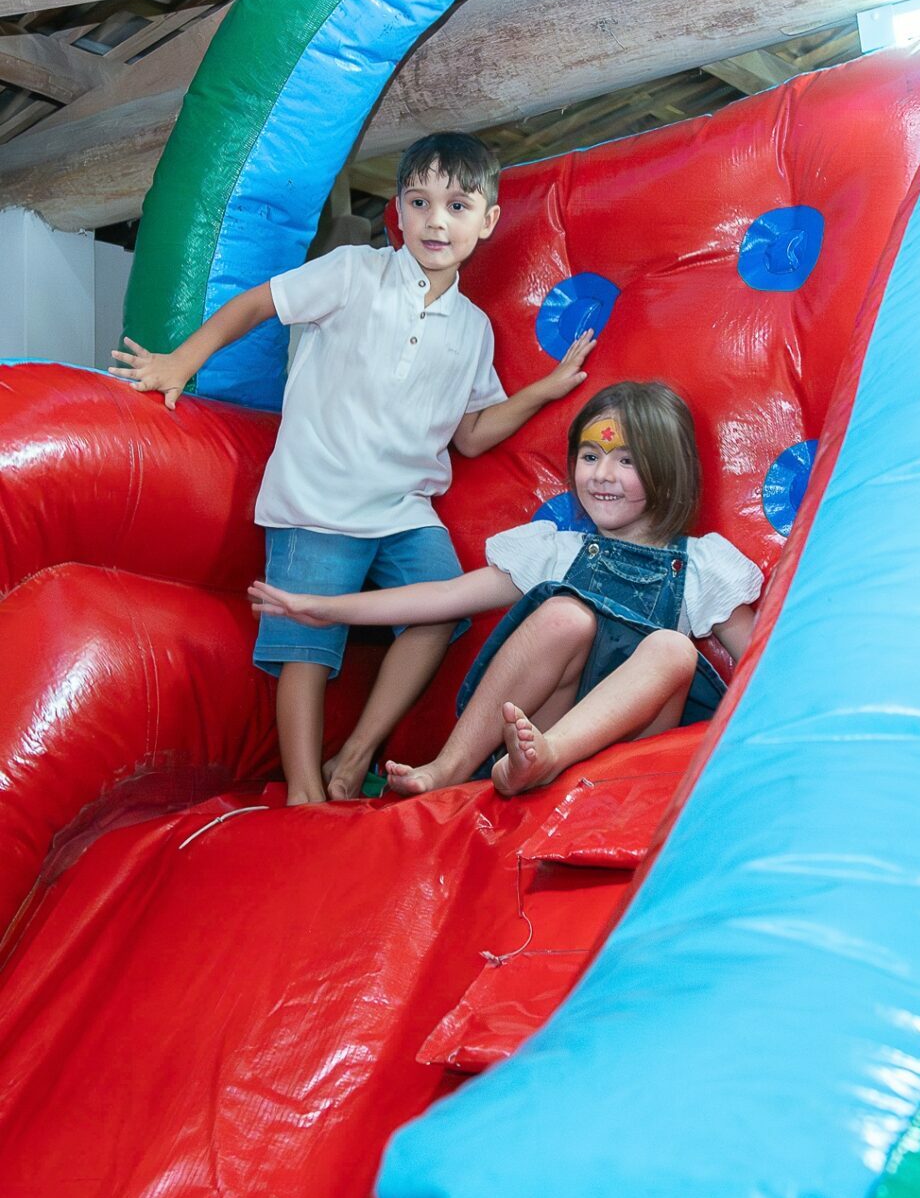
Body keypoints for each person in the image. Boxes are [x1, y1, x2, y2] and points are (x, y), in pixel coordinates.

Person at [108, 132, 594, 805]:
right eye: (420, 202)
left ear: (487, 221)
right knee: (305, 647)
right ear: (398, 211)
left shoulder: (473, 328)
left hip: (405, 507)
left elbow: (472, 434)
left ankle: (356, 755)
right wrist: (179, 363)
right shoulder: (353, 272)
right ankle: (304, 793)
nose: (436, 221)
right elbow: (259, 303)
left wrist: (543, 390)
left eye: (457, 206)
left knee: (439, 611)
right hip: (318, 496)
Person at [248, 381, 763, 797]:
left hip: (627, 754)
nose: (602, 475)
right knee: (564, 615)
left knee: (672, 648)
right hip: (533, 738)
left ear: (668, 475)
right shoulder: (556, 550)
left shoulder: (702, 566)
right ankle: (449, 768)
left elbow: (764, 661)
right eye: (589, 456)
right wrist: (325, 607)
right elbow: (444, 597)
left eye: (626, 461)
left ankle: (551, 756)